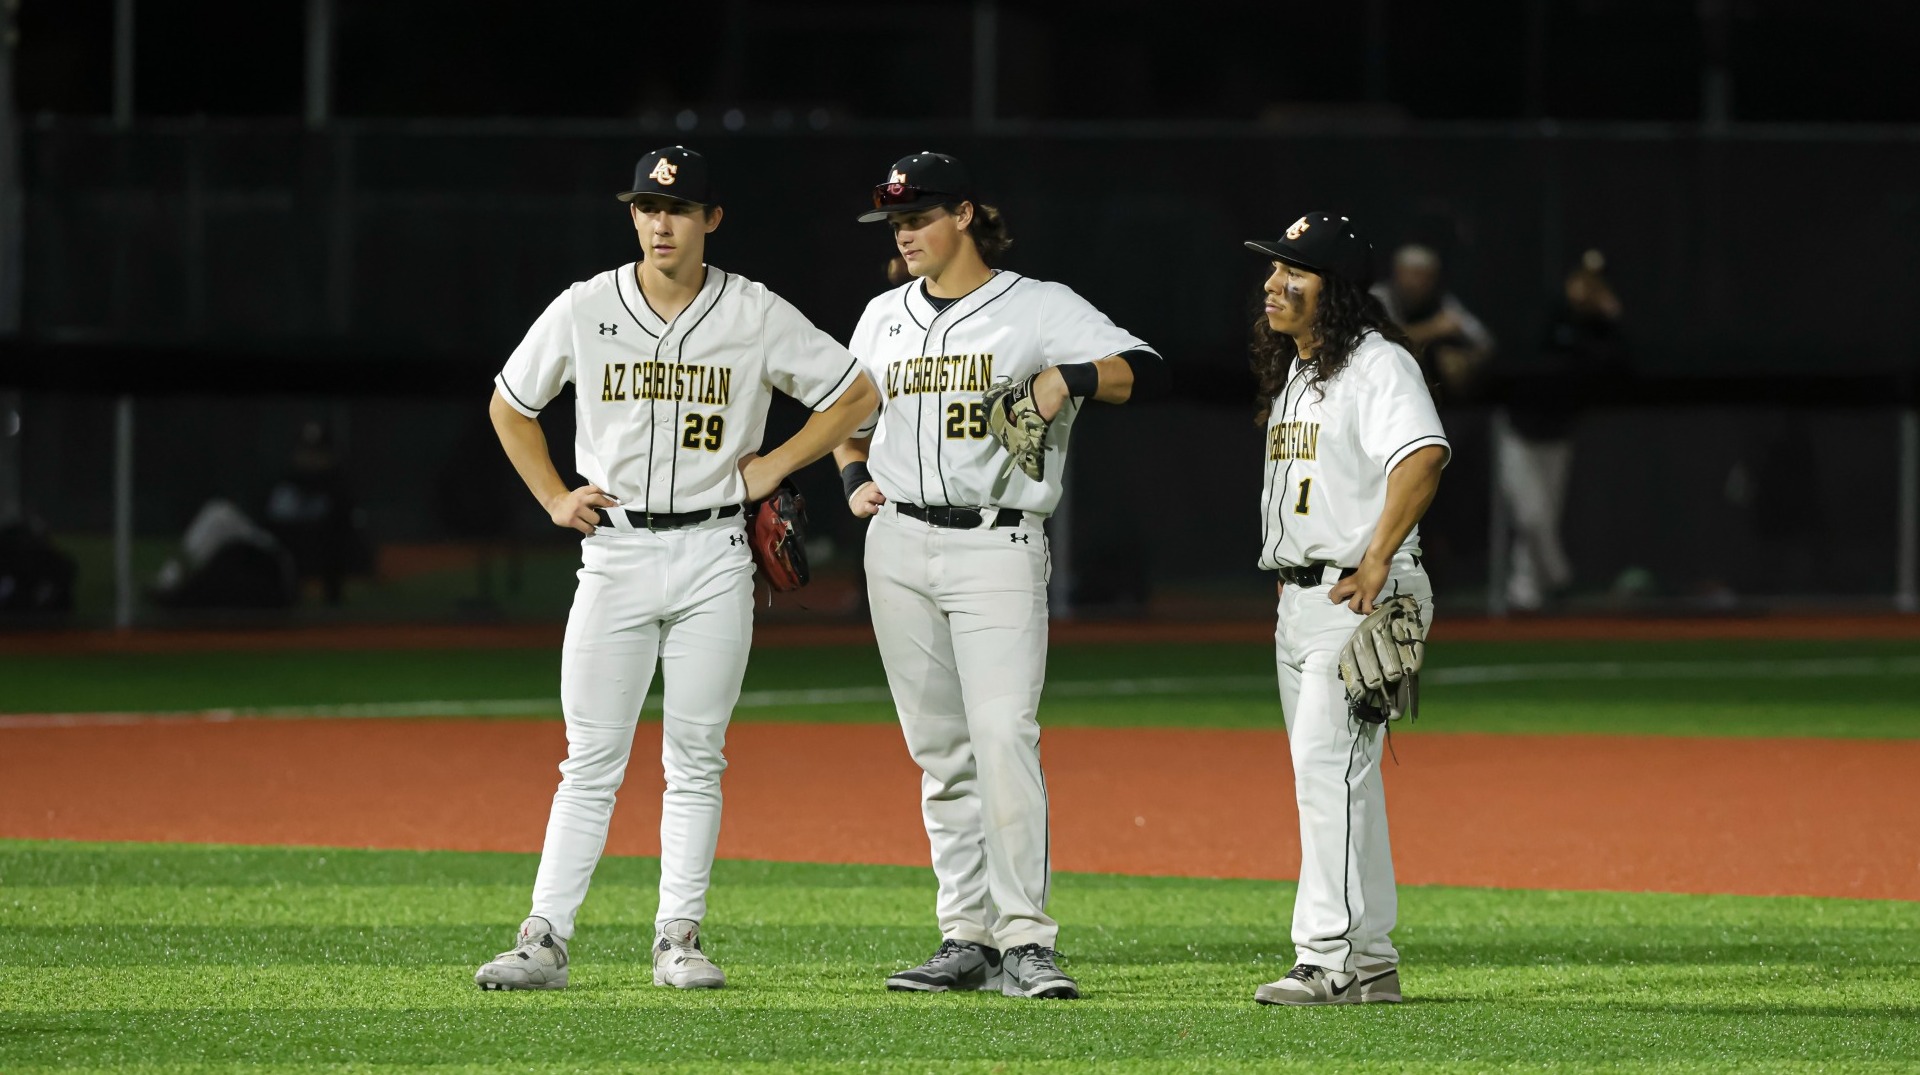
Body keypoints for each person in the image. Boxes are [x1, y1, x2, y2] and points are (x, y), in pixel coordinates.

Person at [474, 146, 878, 992]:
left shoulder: (754, 311)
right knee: (590, 756)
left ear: (710, 220)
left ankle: (678, 938)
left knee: (696, 755)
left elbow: (855, 393)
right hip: (614, 551)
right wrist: (553, 495)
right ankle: (544, 936)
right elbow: (511, 404)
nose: (661, 222)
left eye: (680, 210)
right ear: (632, 217)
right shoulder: (587, 306)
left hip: (713, 555)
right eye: (648, 208)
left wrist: (774, 466)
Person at [832, 151, 1166, 1000]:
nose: (904, 234)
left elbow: (1144, 369)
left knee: (1004, 735)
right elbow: (841, 409)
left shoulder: (1037, 305)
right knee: (941, 752)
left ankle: (1026, 938)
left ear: (967, 215)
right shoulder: (882, 315)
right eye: (896, 223)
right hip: (898, 545)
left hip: (997, 541)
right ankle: (965, 937)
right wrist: (849, 474)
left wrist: (1065, 376)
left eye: (918, 218)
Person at [1244, 212, 1449, 1006]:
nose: (1273, 283)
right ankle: (1370, 957)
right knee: (1348, 777)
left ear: (1336, 288)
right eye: (1272, 270)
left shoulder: (1377, 364)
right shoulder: (1302, 370)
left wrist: (1374, 557)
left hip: (1361, 592)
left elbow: (1424, 455)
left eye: (1294, 271)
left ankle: (1323, 955)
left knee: (1324, 768)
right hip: (1306, 596)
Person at [1498, 249, 1627, 610]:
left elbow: (1619, 362)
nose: (1588, 290)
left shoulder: (1597, 325)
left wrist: (1611, 317)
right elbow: (1537, 348)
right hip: (1518, 432)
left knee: (1543, 522)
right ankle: (1559, 579)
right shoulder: (1549, 312)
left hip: (1557, 435)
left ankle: (1525, 593)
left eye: (1595, 283)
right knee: (1532, 516)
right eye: (1583, 281)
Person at [1370, 244, 1495, 399]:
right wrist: (1433, 328)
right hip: (1385, 387)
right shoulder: (1379, 297)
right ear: (1398, 272)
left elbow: (1484, 342)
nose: (1418, 282)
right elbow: (1381, 339)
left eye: (1426, 276)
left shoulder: (1443, 301)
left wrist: (1466, 360)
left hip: (1434, 394)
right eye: (1413, 274)